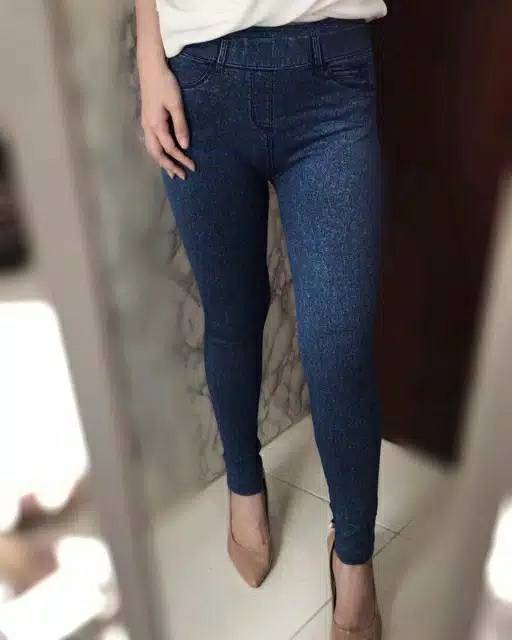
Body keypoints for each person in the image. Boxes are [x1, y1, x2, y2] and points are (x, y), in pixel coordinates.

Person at [135, 1, 387, 638]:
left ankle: (353, 553)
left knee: (340, 348)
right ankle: (244, 484)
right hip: (198, 77)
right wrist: (148, 61)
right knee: (232, 315)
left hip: (332, 74)